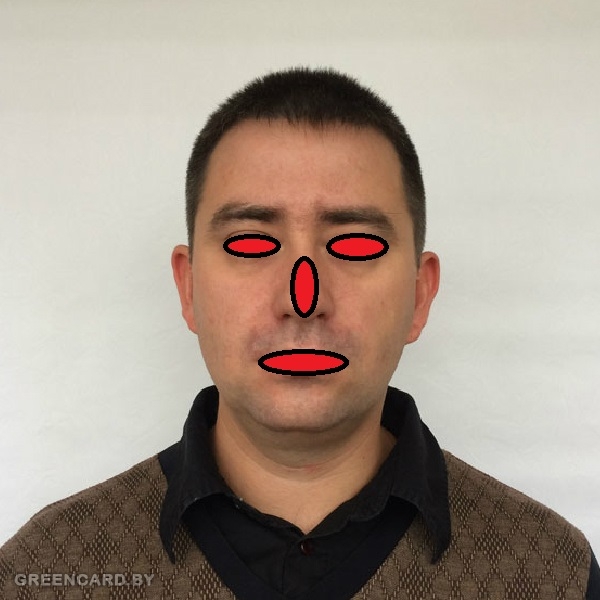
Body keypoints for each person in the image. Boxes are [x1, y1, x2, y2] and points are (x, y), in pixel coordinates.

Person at [1, 67, 598, 600]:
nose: (301, 299)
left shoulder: (554, 575)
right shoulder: (43, 570)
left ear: (419, 295)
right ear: (189, 288)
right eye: (251, 244)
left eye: (355, 245)